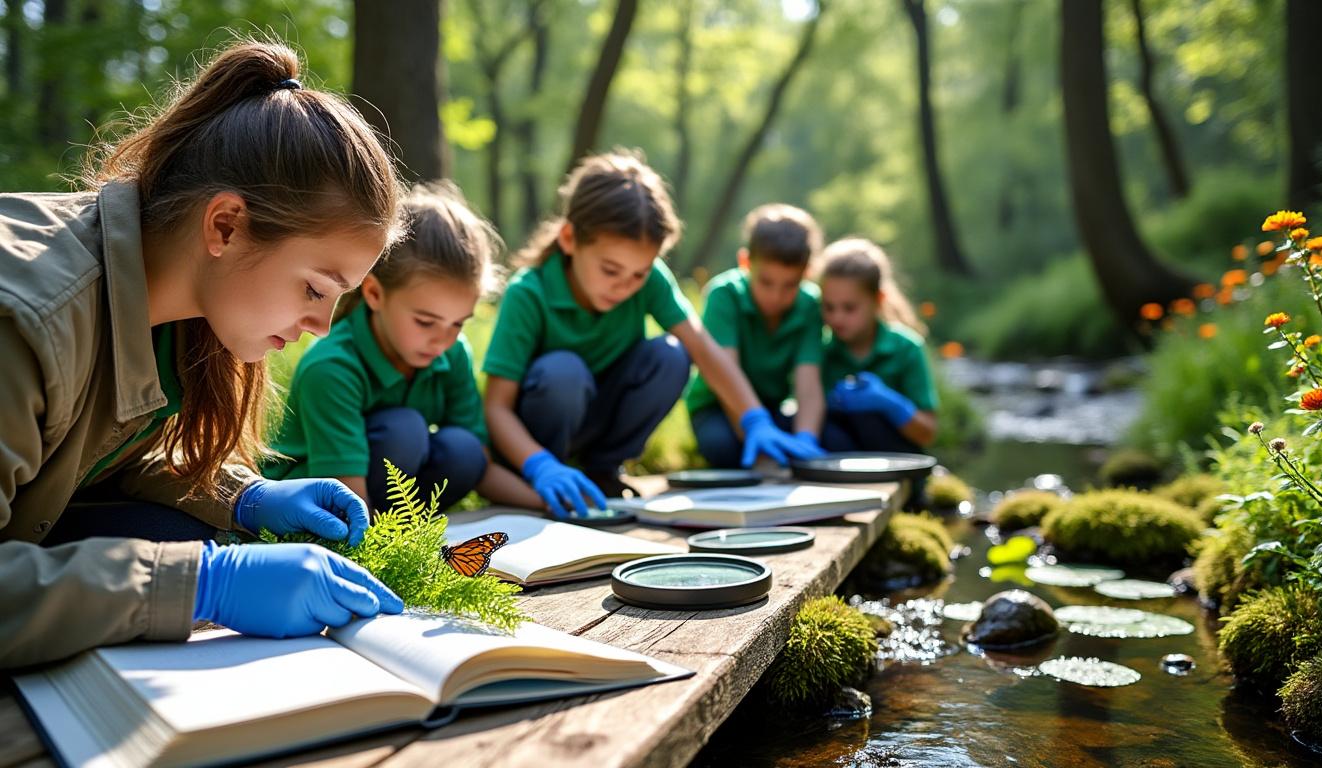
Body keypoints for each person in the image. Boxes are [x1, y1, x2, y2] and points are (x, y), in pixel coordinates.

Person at [0, 41, 407, 669]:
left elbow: (95, 443)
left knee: (182, 535)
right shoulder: (26, 320)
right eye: (314, 289)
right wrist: (203, 586)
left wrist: (243, 496)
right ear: (224, 226)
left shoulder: (178, 310)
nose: (322, 327)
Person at [482, 150, 818, 519]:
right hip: (537, 444)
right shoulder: (528, 293)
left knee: (671, 354)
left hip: (600, 414)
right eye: (610, 270)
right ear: (569, 239)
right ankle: (551, 478)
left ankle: (602, 471)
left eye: (638, 274)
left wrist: (754, 418)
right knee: (564, 371)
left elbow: (702, 348)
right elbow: (496, 406)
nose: (624, 286)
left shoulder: (650, 280)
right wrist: (538, 465)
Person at [266, 183, 540, 512]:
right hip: (312, 503)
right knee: (403, 430)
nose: (444, 340)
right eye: (425, 322)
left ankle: (409, 531)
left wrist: (549, 503)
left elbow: (478, 465)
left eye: (458, 323)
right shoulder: (331, 368)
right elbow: (340, 493)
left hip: (389, 493)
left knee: (463, 449)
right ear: (375, 295)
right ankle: (391, 539)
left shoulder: (451, 353)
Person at [685, 204, 830, 468]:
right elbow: (725, 375)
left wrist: (806, 439)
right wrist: (758, 436)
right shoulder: (723, 295)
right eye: (766, 282)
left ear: (806, 272)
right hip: (718, 406)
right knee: (724, 447)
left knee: (831, 437)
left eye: (790, 285)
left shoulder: (810, 305)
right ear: (745, 263)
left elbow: (808, 385)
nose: (776, 297)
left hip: (772, 408)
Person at [817, 238, 939, 454]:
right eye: (829, 307)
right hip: (837, 465)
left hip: (895, 461)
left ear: (877, 300)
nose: (837, 318)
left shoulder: (907, 348)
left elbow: (928, 433)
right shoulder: (821, 351)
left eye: (849, 308)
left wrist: (890, 404)